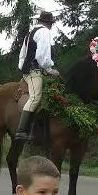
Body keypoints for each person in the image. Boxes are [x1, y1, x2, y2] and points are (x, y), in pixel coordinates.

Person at [15, 11, 60, 141]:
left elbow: (22, 55)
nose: (51, 26)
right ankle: (21, 131)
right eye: (51, 23)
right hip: (34, 71)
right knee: (35, 97)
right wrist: (49, 69)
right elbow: (42, 55)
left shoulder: (31, 33)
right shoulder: (44, 32)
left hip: (28, 69)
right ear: (48, 23)